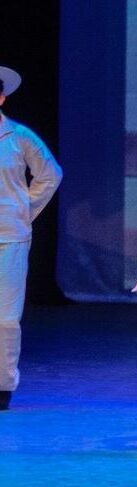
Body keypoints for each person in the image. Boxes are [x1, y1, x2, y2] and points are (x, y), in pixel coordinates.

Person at [0, 66, 62, 411]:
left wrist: (24, 209)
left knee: (5, 317)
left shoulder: (19, 136)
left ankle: (2, 384)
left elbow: (50, 175)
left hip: (10, 235)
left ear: (2, 97)